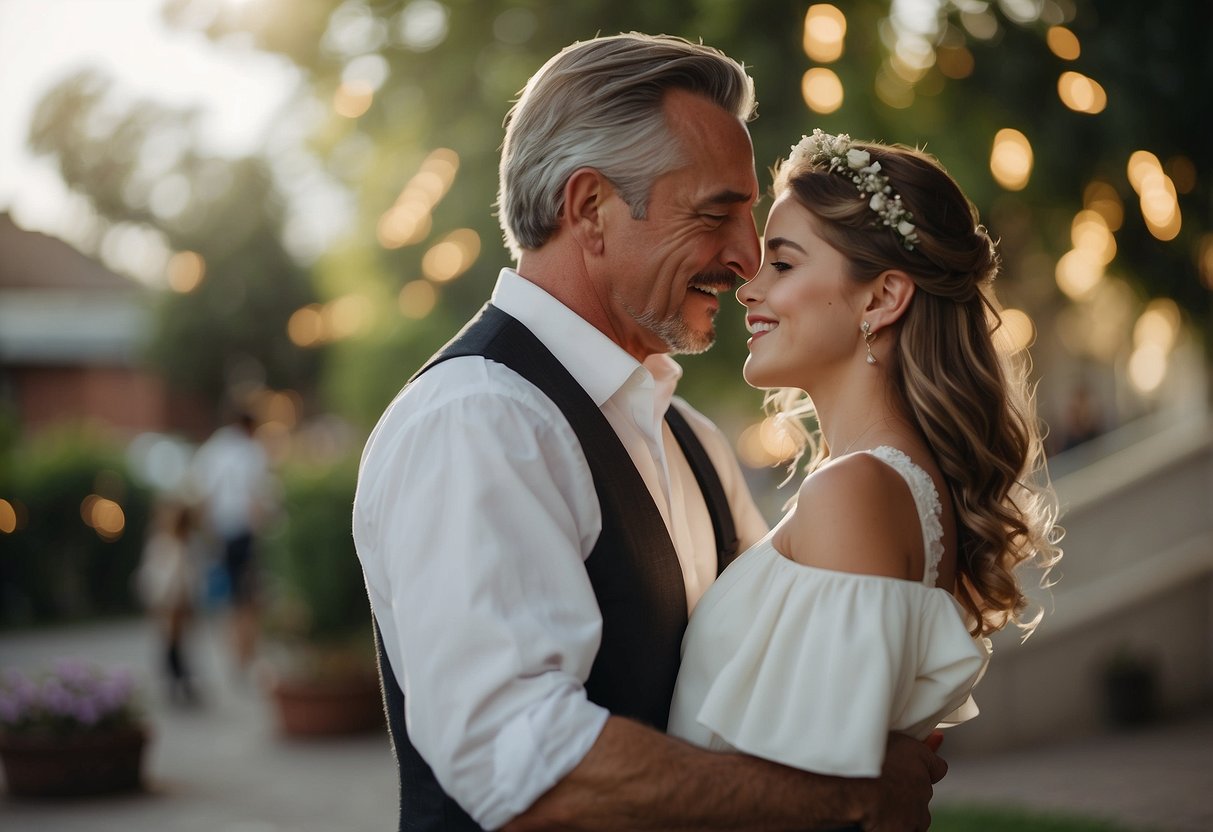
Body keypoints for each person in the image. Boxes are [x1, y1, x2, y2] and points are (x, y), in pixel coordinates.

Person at [353, 35, 945, 832]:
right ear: (590, 208)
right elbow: (522, 765)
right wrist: (847, 796)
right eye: (714, 213)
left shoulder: (690, 437)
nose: (744, 261)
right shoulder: (477, 420)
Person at [669, 130, 1062, 790]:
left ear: (881, 298)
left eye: (783, 265)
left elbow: (820, 794)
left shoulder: (854, 492)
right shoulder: (880, 484)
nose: (746, 288)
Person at [191, 409, 272, 674]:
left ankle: (235, 655)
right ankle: (246, 654)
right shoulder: (251, 452)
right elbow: (256, 497)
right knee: (249, 597)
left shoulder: (213, 450)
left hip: (222, 533)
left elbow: (203, 496)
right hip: (244, 532)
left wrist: (207, 532)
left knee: (231, 597)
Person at [135, 498, 200, 704]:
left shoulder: (183, 543)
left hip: (178, 601)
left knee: (178, 643)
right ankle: (178, 683)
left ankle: (182, 683)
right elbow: (151, 575)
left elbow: (188, 576)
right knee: (169, 643)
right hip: (164, 600)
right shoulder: (160, 543)